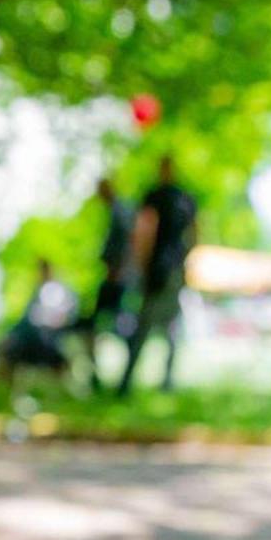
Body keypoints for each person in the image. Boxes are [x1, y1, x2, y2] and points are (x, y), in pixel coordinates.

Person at [116, 155, 198, 396]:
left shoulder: (156, 196)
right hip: (174, 269)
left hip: (158, 270)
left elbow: (145, 230)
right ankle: (165, 381)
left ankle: (128, 382)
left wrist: (140, 264)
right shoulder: (185, 198)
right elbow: (195, 233)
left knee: (146, 325)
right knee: (170, 325)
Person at [81, 176, 137, 388]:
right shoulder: (116, 212)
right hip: (116, 279)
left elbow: (125, 245)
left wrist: (117, 270)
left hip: (118, 281)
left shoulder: (120, 212)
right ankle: (100, 378)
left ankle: (122, 380)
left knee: (119, 328)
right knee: (98, 328)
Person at [0, 257, 78, 385]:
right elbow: (25, 320)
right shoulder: (37, 293)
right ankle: (2, 389)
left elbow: (64, 317)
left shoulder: (58, 292)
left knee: (11, 346)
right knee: (8, 347)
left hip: (47, 338)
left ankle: (1, 388)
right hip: (29, 337)